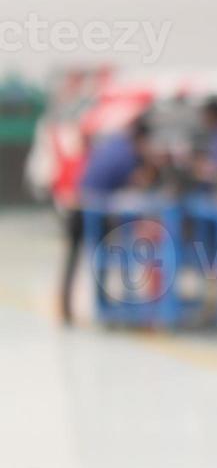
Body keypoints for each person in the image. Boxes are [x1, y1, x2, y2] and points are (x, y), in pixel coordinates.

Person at [60, 117, 156, 325]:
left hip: (78, 205)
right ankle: (105, 306)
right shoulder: (127, 154)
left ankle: (69, 308)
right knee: (108, 253)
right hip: (91, 212)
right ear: (141, 140)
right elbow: (133, 186)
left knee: (74, 258)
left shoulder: (112, 143)